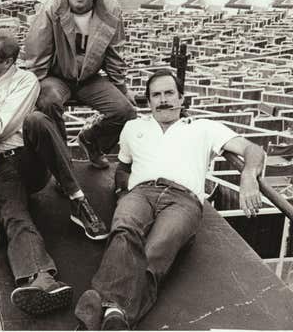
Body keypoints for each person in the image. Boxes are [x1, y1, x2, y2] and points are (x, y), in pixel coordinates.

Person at [74, 69, 264, 330]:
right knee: (124, 230)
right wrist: (123, 190)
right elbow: (122, 168)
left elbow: (252, 149)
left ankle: (103, 307)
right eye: (156, 95)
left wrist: (249, 177)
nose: (163, 100)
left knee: (158, 249)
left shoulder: (204, 127)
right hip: (140, 192)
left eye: (168, 93)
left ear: (181, 98)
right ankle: (116, 315)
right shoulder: (133, 127)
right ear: (149, 102)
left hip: (183, 200)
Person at [0, 29, 108, 315]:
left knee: (37, 120)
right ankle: (41, 279)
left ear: (8, 61)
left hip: (28, 162)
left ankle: (78, 200)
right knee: (15, 216)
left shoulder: (25, 81)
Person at [24, 0, 136, 169]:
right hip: (55, 77)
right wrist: (33, 90)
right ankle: (62, 161)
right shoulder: (51, 8)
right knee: (48, 102)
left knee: (125, 111)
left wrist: (121, 87)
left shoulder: (110, 10)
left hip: (89, 78)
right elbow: (37, 52)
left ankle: (92, 141)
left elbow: (114, 53)